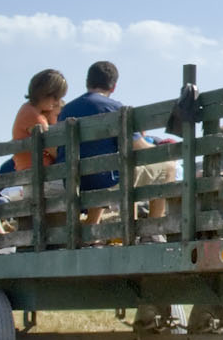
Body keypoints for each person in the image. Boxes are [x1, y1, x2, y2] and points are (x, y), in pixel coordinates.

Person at [58, 60, 177, 221]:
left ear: (87, 82)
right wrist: (162, 150)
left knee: (104, 166)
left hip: (75, 183)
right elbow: (139, 147)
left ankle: (92, 228)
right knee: (168, 167)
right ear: (113, 87)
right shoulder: (114, 108)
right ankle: (153, 230)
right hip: (107, 182)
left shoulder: (66, 110)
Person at [12, 69, 69, 174]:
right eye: (55, 97)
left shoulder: (30, 110)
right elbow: (53, 149)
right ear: (45, 93)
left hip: (37, 172)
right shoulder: (33, 115)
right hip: (38, 175)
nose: (57, 102)